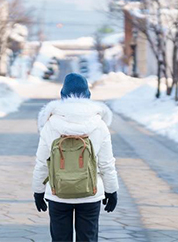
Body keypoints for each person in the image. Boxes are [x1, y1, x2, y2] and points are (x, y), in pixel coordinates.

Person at [32, 72, 119, 242]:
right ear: (88, 96)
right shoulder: (99, 125)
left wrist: (38, 191)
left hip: (58, 193)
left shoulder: (50, 124)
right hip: (90, 193)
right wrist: (111, 190)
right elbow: (107, 164)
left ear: (62, 95)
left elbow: (42, 163)